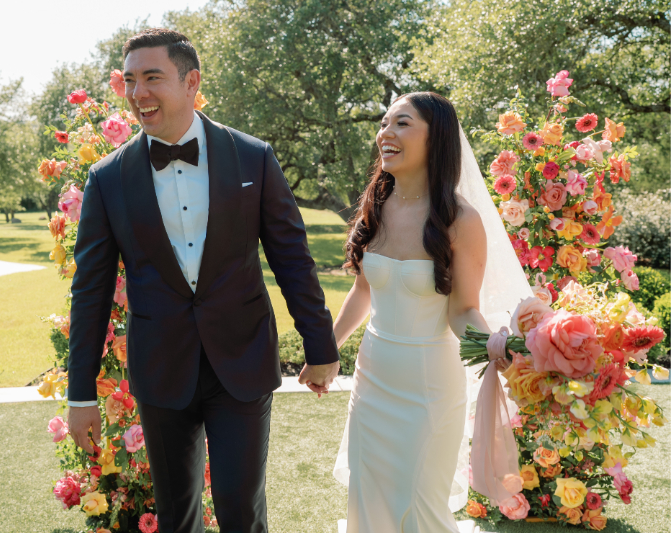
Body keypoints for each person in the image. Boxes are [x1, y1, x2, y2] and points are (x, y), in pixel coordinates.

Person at [65, 28, 341, 533]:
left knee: (241, 509)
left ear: (191, 81)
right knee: (176, 516)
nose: (138, 93)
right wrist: (80, 393)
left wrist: (320, 347)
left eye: (152, 78)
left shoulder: (253, 156)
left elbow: (292, 259)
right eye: (129, 81)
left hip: (242, 360)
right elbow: (90, 291)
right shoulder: (107, 178)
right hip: (160, 368)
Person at [330, 92, 530, 532]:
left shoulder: (460, 220)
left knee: (422, 507)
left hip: (429, 389)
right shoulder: (376, 208)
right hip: (372, 380)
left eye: (402, 123)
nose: (386, 133)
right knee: (370, 500)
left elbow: (462, 310)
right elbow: (364, 290)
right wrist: (325, 351)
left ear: (435, 137)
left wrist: (497, 344)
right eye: (385, 123)